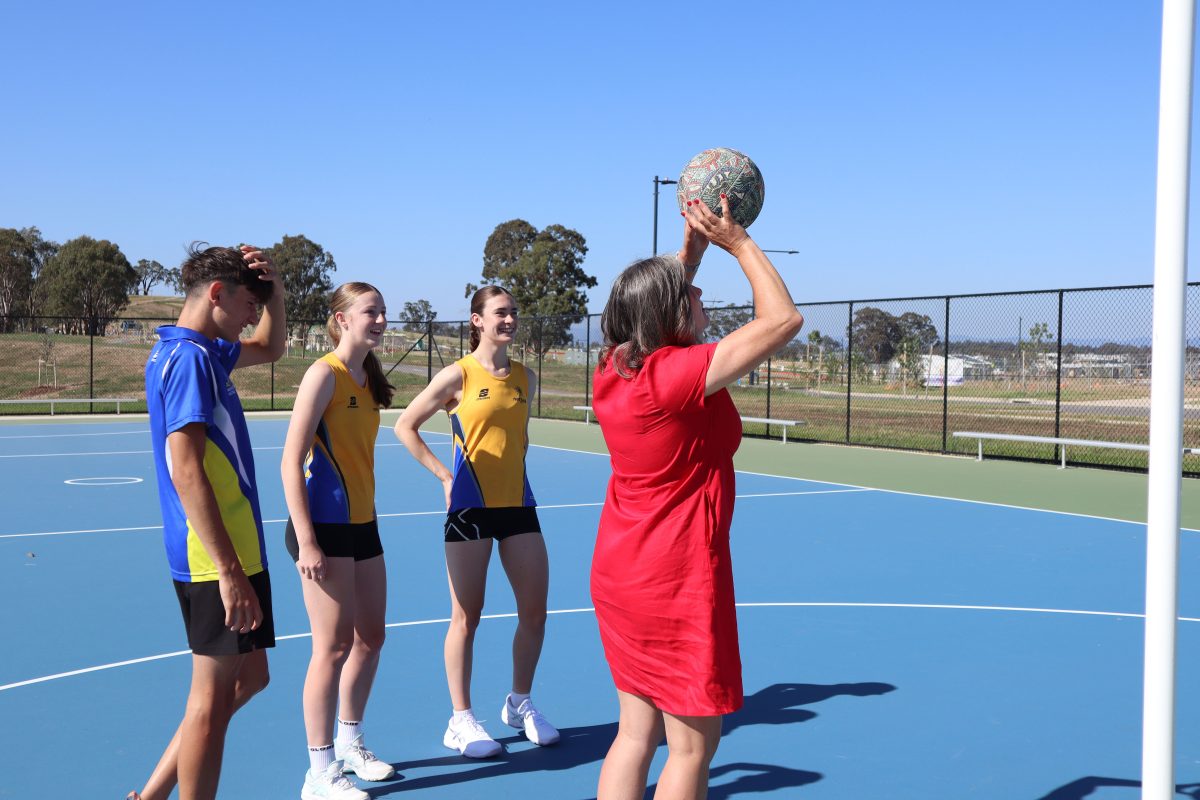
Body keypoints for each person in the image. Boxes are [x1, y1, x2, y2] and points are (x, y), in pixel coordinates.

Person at [590, 196, 804, 800]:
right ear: (673, 315)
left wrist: (693, 244)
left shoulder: (616, 369)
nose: (702, 295)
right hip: (674, 578)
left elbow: (656, 299)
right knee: (691, 747)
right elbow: (783, 319)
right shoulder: (674, 375)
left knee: (635, 735)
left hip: (621, 572)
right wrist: (737, 242)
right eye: (693, 292)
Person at [131, 243, 286, 800]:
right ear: (216, 294)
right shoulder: (194, 360)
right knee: (210, 702)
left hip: (237, 549)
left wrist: (277, 290)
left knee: (251, 679)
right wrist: (227, 571)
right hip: (216, 556)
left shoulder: (197, 349)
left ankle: (148, 796)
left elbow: (270, 346)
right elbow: (186, 470)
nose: (253, 314)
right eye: (249, 301)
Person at [394, 285, 559, 758]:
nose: (508, 320)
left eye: (513, 312)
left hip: (519, 508)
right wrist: (444, 475)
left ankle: (520, 701)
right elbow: (406, 425)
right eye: (499, 313)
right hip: (468, 509)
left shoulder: (527, 378)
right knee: (467, 616)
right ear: (476, 321)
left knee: (534, 612)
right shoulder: (457, 375)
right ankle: (460, 719)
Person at [281, 282, 397, 799]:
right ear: (342, 319)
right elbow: (290, 460)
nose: (379, 320)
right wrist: (306, 540)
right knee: (331, 648)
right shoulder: (321, 374)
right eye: (369, 312)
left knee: (371, 637)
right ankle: (319, 770)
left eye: (382, 313)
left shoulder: (369, 377)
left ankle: (351, 741)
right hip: (323, 529)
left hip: (363, 524)